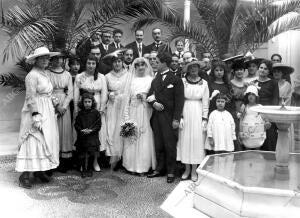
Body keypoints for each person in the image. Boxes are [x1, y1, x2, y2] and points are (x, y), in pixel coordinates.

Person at [16, 46, 60, 189]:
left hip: (47, 110)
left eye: (47, 58)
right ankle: (26, 175)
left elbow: (47, 92)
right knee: (34, 139)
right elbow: (30, 97)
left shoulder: (45, 73)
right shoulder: (32, 75)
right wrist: (35, 115)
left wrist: (53, 100)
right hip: (37, 110)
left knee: (47, 140)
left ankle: (40, 170)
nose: (46, 60)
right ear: (36, 60)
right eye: (42, 58)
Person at [147, 53, 184, 183]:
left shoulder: (176, 80)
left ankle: (171, 171)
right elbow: (149, 95)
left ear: (164, 63)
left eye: (157, 61)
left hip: (169, 117)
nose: (155, 63)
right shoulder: (155, 80)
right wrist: (154, 103)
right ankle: (159, 169)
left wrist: (176, 119)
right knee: (159, 143)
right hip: (157, 117)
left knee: (170, 145)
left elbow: (179, 102)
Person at [121, 57, 156, 174]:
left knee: (145, 137)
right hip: (134, 111)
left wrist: (145, 99)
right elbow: (126, 100)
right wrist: (126, 117)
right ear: (134, 67)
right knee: (133, 136)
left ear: (146, 66)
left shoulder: (151, 80)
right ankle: (131, 165)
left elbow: (155, 97)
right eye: (138, 65)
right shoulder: (131, 81)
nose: (141, 67)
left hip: (146, 112)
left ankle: (144, 166)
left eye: (143, 65)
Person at [74, 54, 108, 171]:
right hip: (84, 105)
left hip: (97, 105)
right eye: (89, 63)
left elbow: (104, 93)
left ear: (96, 64)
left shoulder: (101, 77)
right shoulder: (79, 76)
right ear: (85, 64)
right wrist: (76, 109)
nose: (91, 66)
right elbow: (76, 94)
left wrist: (102, 108)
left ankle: (95, 161)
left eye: (93, 63)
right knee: (83, 134)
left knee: (95, 134)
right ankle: (83, 162)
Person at [177, 61, 209, 182]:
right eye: (191, 67)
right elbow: (179, 99)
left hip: (198, 111)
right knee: (185, 139)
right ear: (188, 69)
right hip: (186, 110)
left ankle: (195, 169)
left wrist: (204, 118)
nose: (194, 69)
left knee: (197, 139)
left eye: (196, 67)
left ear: (199, 69)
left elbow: (206, 101)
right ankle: (187, 169)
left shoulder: (204, 83)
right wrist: (180, 116)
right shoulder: (183, 81)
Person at [48, 52, 73, 172]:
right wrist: (57, 105)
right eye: (56, 58)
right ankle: (53, 160)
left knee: (65, 131)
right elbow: (48, 91)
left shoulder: (67, 74)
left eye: (61, 58)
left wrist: (64, 106)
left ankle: (64, 162)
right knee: (54, 131)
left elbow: (70, 92)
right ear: (52, 60)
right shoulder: (47, 73)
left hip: (65, 106)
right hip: (52, 105)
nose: (58, 61)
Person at [104, 52, 128, 168]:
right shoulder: (107, 76)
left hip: (124, 105)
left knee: (122, 128)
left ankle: (124, 156)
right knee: (112, 128)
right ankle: (113, 155)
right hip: (112, 105)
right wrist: (110, 94)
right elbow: (105, 92)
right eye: (115, 62)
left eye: (119, 61)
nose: (117, 64)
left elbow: (130, 89)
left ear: (122, 62)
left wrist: (124, 96)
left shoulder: (128, 75)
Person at [254, 60, 279, 151]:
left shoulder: (273, 83)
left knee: (269, 142)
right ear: (258, 69)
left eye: (265, 69)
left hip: (269, 116)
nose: (262, 70)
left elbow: (275, 100)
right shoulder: (253, 82)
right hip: (256, 115)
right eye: (261, 68)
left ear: (269, 71)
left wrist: (269, 116)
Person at [74, 93, 102, 178]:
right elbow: (76, 125)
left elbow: (98, 125)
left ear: (92, 102)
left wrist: (91, 130)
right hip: (82, 137)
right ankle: (83, 168)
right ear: (82, 103)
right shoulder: (80, 113)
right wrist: (81, 130)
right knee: (82, 154)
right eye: (85, 102)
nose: (87, 103)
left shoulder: (96, 113)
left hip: (92, 137)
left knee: (91, 154)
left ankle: (89, 169)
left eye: (89, 101)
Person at [239, 85, 267, 150]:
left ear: (256, 96)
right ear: (246, 96)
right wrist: (240, 132)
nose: (251, 96)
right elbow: (241, 120)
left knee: (258, 151)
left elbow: (265, 120)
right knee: (247, 151)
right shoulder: (244, 107)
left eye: (253, 94)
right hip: (247, 135)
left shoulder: (260, 107)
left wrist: (267, 124)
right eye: (249, 94)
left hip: (258, 136)